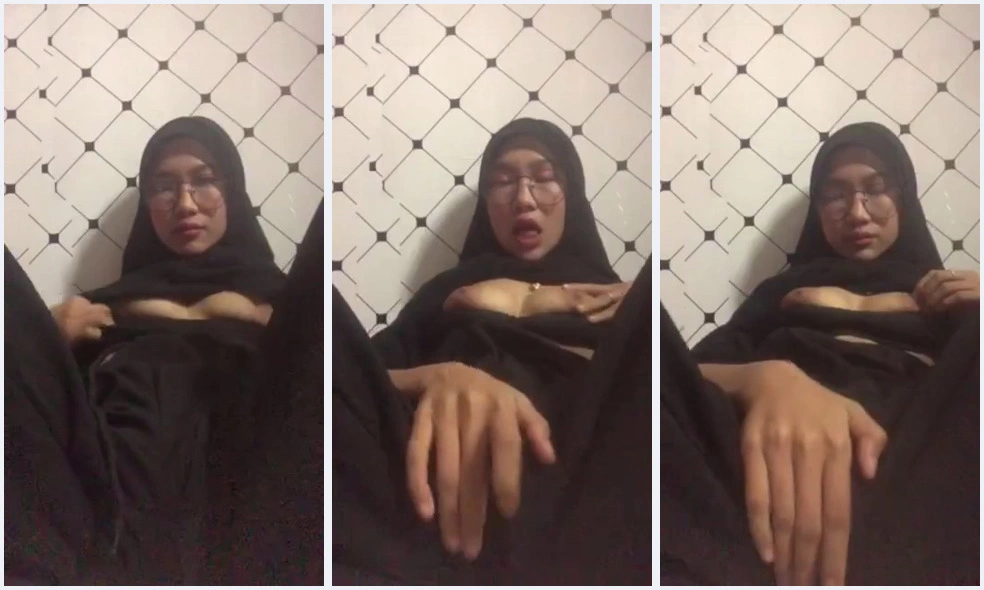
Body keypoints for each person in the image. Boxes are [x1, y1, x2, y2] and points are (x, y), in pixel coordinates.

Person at [5, 116, 324, 584]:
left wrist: (430, 375)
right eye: (163, 187)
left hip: (256, 482)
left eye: (205, 180)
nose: (186, 204)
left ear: (234, 191)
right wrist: (47, 337)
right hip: (105, 491)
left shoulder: (290, 304)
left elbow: (359, 378)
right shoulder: (95, 306)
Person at [333, 118, 652, 584]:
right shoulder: (449, 290)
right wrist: (442, 375)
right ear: (486, 205)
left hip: (587, 483)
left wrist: (533, 299)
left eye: (545, 178)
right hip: (429, 495)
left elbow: (679, 390)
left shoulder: (619, 295)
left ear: (573, 195)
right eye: (503, 182)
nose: (524, 198)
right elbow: (351, 376)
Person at [662, 122, 979, 585]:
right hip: (769, 443)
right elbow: (685, 374)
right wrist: (766, 379)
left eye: (876, 189)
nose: (857, 212)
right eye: (835, 195)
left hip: (915, 452)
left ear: (905, 197)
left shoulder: (949, 293)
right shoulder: (783, 289)